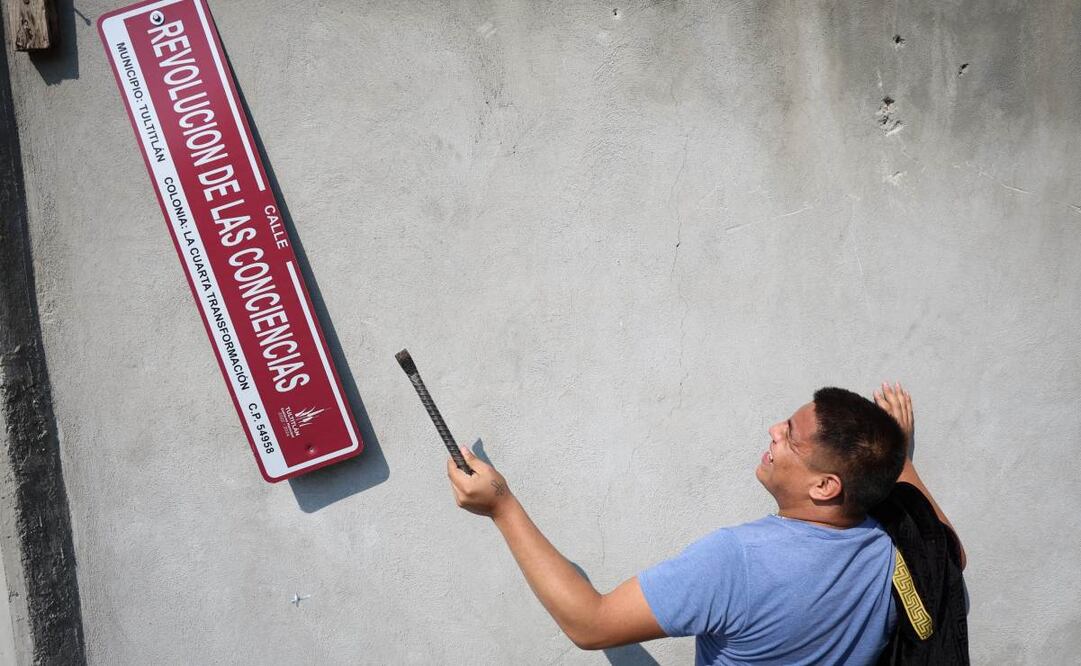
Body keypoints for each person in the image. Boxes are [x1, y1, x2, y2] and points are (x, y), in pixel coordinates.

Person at [446, 382, 965, 664]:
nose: (774, 431)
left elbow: (591, 624)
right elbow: (948, 555)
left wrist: (502, 508)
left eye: (790, 434)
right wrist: (898, 456)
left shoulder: (739, 564)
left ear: (825, 486)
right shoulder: (892, 544)